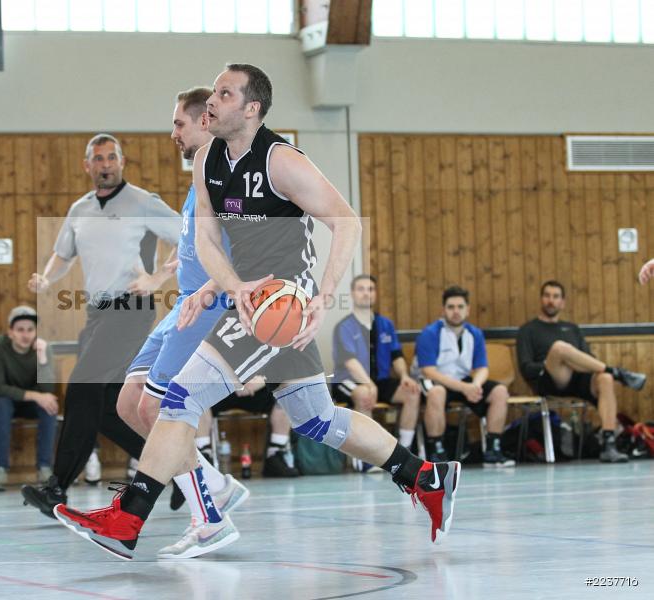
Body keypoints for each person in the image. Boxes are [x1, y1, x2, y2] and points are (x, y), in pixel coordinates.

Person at [54, 63, 461, 560]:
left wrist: (320, 296)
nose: (212, 102)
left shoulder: (281, 161)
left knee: (179, 397)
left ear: (251, 108)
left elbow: (347, 223)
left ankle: (130, 516)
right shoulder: (208, 160)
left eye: (224, 94)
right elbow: (204, 238)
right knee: (316, 419)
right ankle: (424, 476)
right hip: (252, 299)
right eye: (213, 93)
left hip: (282, 303)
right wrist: (224, 287)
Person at [22, 134, 181, 509]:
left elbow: (187, 236)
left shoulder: (142, 202)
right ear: (87, 165)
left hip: (131, 309)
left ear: (122, 162)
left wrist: (157, 278)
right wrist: (47, 278)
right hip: (96, 315)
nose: (105, 164)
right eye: (98, 158)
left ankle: (56, 486)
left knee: (81, 386)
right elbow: (63, 256)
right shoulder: (80, 210)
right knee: (108, 408)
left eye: (112, 157)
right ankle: (174, 473)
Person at [516, 281, 646, 463]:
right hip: (549, 380)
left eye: (555, 297)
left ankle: (608, 444)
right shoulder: (528, 330)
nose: (550, 301)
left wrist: (574, 363)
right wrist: (551, 362)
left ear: (562, 302)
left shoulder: (572, 329)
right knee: (560, 348)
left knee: (605, 378)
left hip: (576, 379)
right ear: (541, 299)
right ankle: (619, 373)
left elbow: (588, 358)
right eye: (547, 296)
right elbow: (526, 367)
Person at [412, 286, 514, 467]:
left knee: (499, 392)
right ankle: (437, 451)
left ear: (468, 310)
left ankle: (493, 450)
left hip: (463, 380)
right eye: (451, 307)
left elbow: (482, 368)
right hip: (436, 380)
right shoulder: (430, 333)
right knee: (436, 393)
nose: (456, 311)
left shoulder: (475, 334)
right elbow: (428, 371)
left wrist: (475, 384)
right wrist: (464, 388)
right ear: (443, 310)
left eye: (460, 307)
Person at [331, 274, 421, 472]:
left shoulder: (385, 324)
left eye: (370, 289)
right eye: (361, 289)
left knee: (412, 392)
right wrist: (368, 384)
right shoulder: (344, 326)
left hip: (380, 379)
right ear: (353, 295)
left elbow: (396, 356)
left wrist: (405, 377)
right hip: (348, 380)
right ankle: (366, 458)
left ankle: (404, 455)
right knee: (364, 394)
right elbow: (350, 362)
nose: (366, 293)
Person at [0, 306, 59, 491]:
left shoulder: (43, 348)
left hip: (29, 402)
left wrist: (42, 359)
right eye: (20, 330)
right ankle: (0, 469)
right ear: (10, 332)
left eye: (30, 330)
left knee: (49, 405)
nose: (26, 335)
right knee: (2, 405)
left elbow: (48, 389)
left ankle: (44, 468)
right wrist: (35, 395)